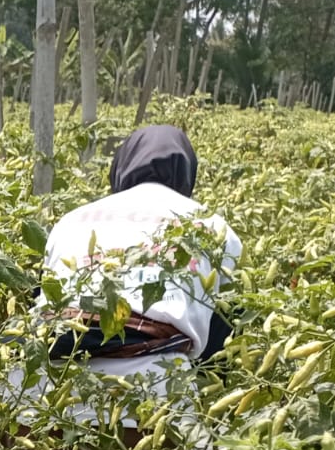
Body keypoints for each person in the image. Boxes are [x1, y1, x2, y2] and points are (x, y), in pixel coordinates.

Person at [37, 125, 241, 409]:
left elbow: (45, 297)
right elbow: (225, 327)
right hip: (154, 387)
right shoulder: (214, 226)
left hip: (47, 386)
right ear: (187, 172)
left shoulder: (69, 220)